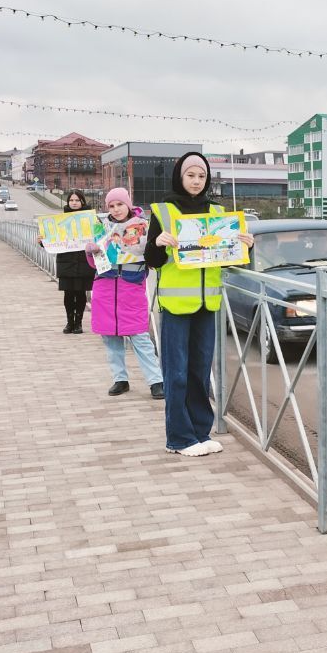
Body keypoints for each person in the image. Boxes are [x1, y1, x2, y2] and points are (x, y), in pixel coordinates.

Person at [144, 152, 254, 457]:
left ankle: (200, 432)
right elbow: (151, 262)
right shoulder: (164, 210)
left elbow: (236, 264)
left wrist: (247, 246)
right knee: (176, 372)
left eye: (202, 176)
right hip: (176, 305)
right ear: (180, 175)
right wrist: (157, 244)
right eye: (191, 175)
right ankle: (178, 438)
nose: (196, 181)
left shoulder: (217, 211)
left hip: (209, 304)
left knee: (201, 371)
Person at [85, 188, 164, 398]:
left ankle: (156, 381)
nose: (116, 209)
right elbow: (94, 264)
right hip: (105, 288)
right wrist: (91, 252)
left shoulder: (143, 227)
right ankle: (119, 379)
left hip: (132, 288)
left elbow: (152, 256)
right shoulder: (101, 228)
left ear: (128, 204)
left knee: (140, 337)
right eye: (111, 205)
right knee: (110, 339)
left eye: (120, 204)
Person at [52, 189, 95, 333]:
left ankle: (79, 323)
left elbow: (100, 235)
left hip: (84, 261)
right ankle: (69, 322)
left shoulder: (91, 218)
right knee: (68, 294)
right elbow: (53, 240)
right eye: (71, 200)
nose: (74, 203)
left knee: (80, 293)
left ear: (82, 201)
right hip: (66, 261)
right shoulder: (61, 219)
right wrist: (42, 241)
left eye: (77, 200)